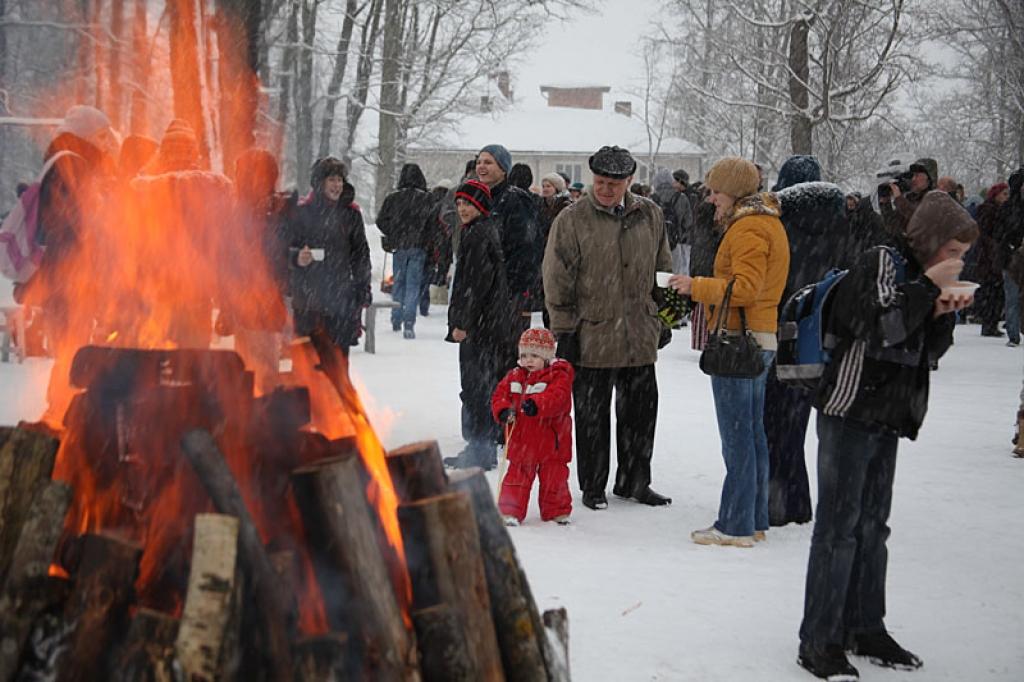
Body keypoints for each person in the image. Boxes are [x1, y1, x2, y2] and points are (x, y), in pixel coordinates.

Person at [797, 191, 978, 680]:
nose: (956, 261)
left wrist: (943, 311)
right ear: (931, 240)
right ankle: (820, 638)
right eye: (952, 251)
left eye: (961, 255)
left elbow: (924, 349)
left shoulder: (919, 277)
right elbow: (882, 327)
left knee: (874, 527)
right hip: (849, 409)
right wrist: (926, 289)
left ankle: (865, 626)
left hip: (888, 416)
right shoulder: (882, 261)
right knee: (838, 529)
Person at [544, 145, 673, 510]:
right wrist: (564, 329)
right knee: (591, 416)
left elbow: (663, 269)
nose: (605, 189)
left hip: (639, 332)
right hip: (592, 333)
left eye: (613, 184)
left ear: (629, 182)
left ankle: (635, 481)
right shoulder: (572, 220)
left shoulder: (650, 215)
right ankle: (594, 486)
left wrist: (664, 316)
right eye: (600, 182)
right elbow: (557, 278)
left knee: (641, 415)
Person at [669, 157, 790, 546]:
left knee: (738, 437)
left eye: (716, 191)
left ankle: (735, 524)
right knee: (753, 434)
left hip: (741, 341)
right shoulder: (767, 221)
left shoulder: (748, 228)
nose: (711, 198)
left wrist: (695, 286)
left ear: (735, 191)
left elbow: (744, 289)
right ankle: (753, 519)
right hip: (760, 337)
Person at [765, 155, 847, 527]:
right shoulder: (840, 220)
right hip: (824, 328)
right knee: (800, 419)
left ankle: (778, 500)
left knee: (775, 420)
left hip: (785, 323)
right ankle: (798, 500)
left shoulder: (779, 221)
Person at [444, 179, 517, 470]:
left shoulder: (477, 235)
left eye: (468, 203)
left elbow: (474, 284)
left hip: (482, 326)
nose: (462, 208)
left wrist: (462, 322)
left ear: (481, 205)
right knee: (482, 385)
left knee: (477, 387)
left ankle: (480, 449)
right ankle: (481, 446)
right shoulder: (481, 230)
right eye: (459, 203)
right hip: (490, 323)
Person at [285, 157, 372, 365]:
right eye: (332, 180)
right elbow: (284, 248)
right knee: (307, 368)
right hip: (308, 300)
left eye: (340, 180)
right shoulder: (302, 212)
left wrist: (362, 289)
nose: (337, 185)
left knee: (338, 367)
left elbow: (360, 255)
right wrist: (297, 256)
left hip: (340, 301)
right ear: (319, 182)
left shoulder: (351, 214)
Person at [219, 148, 292, 393]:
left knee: (263, 372)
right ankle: (254, 419)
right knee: (249, 371)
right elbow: (228, 260)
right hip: (248, 302)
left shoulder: (279, 212)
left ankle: (262, 418)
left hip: (267, 302)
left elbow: (284, 254)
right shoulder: (238, 214)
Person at [492, 327, 574, 526]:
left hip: (551, 440)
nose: (528, 360)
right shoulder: (514, 375)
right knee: (516, 478)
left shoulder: (558, 375)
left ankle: (556, 511)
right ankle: (510, 511)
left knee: (554, 479)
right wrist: (503, 410)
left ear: (547, 356)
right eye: (525, 355)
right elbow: (499, 396)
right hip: (522, 440)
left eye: (535, 356)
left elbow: (558, 398)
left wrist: (537, 404)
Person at [474, 144, 541, 332]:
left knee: (504, 355)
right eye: (479, 162)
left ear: (503, 169)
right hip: (478, 294)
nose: (481, 166)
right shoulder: (475, 199)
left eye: (488, 162)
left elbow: (527, 248)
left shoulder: (516, 200)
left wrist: (510, 288)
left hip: (507, 296)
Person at [375, 163, 436, 339]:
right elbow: (433, 224)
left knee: (399, 283)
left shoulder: (393, 198)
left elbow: (380, 221)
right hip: (419, 247)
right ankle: (409, 324)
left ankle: (396, 318)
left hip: (399, 246)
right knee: (413, 286)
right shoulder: (427, 199)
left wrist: (393, 232)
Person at [974, 183, 1009, 337]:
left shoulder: (998, 210)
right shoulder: (989, 210)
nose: (1006, 198)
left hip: (992, 256)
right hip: (989, 257)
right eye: (1003, 194)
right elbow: (985, 234)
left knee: (995, 292)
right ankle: (989, 323)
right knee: (992, 291)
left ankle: (991, 323)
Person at [995, 168, 1024, 346]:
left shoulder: (1008, 208)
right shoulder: (1008, 209)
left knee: (1013, 297)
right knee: (1012, 297)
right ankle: (1013, 333)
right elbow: (999, 232)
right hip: (1012, 257)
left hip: (1012, 255)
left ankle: (1015, 331)